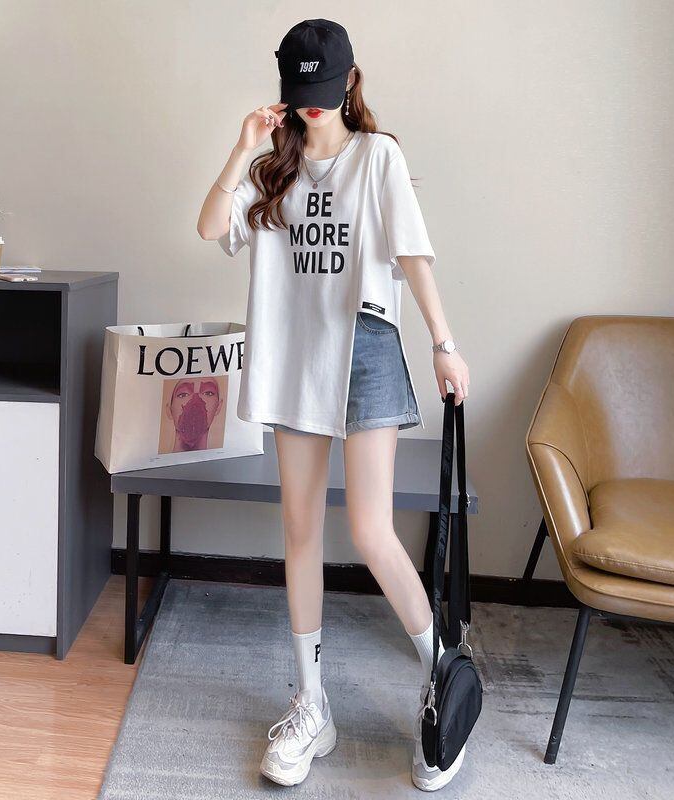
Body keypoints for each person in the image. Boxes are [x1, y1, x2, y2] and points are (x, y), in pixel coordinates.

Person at [196, 18, 470, 792]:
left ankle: (445, 679)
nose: (312, 104)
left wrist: (444, 343)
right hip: (295, 357)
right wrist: (241, 146)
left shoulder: (378, 156)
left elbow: (411, 252)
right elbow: (210, 225)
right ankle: (312, 705)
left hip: (366, 347)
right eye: (300, 92)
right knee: (300, 531)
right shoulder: (270, 169)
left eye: (324, 88)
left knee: (370, 529)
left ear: (350, 81)